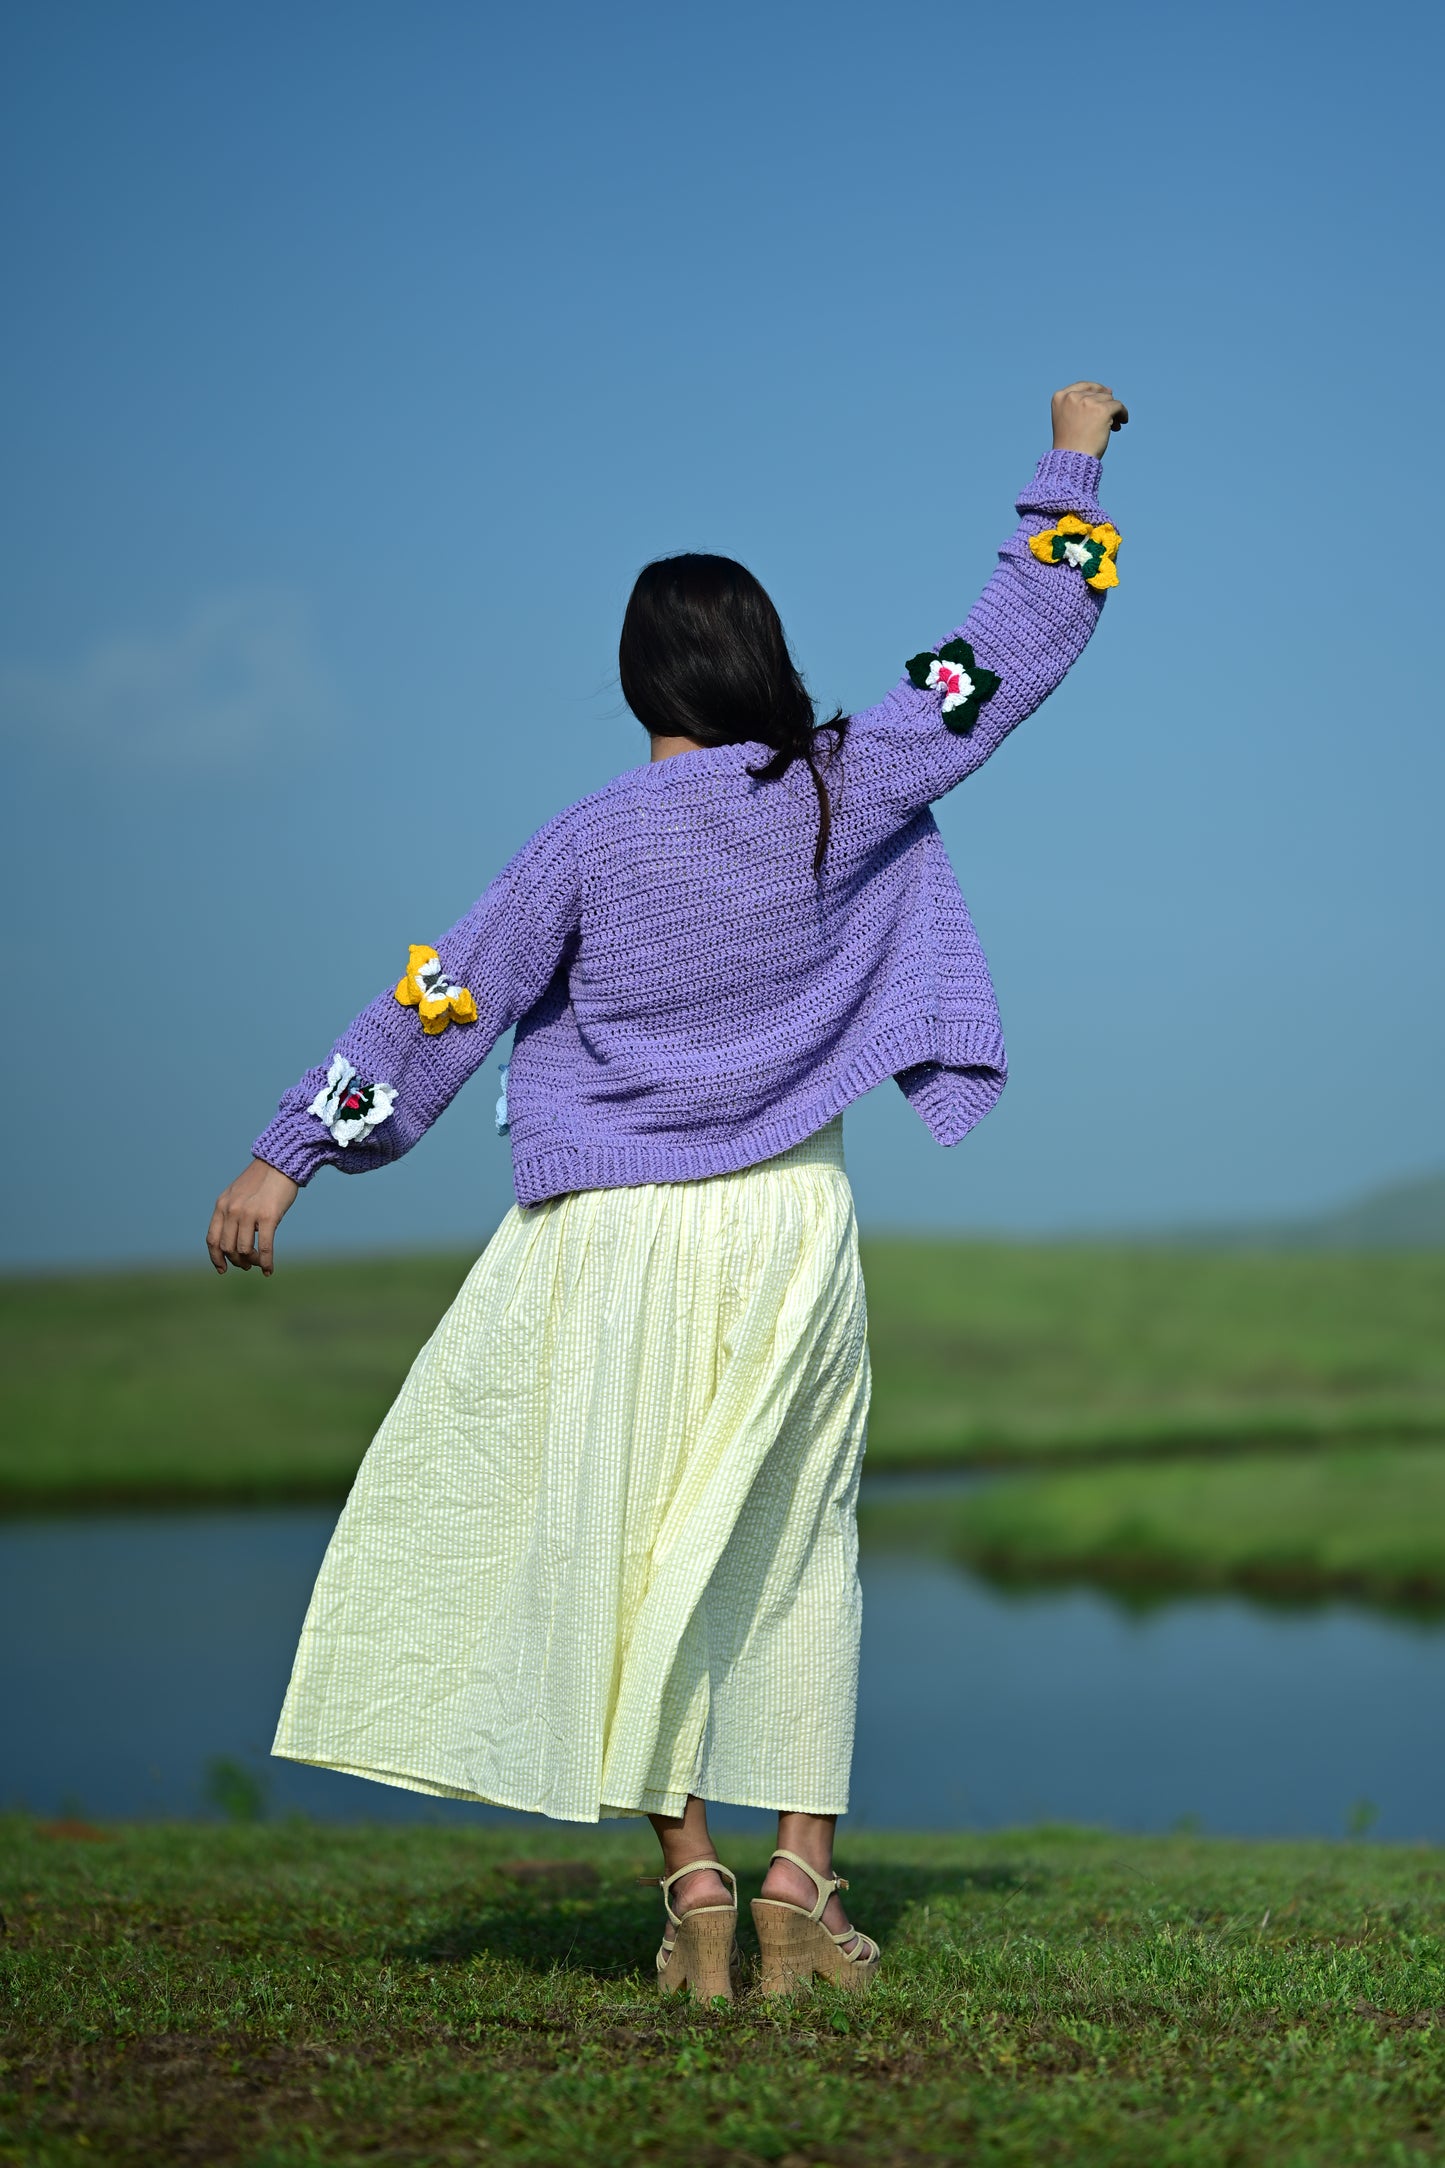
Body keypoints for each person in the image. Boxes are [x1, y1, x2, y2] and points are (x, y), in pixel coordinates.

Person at [206, 382, 1128, 2000]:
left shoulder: (580, 842)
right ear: (761, 659)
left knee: (631, 1552)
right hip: (781, 1219)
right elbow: (1015, 646)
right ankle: (801, 1892)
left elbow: (443, 1002)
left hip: (606, 1232)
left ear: (637, 678)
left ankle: (691, 1886)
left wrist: (294, 1148)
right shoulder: (852, 778)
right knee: (790, 1545)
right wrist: (1071, 455)